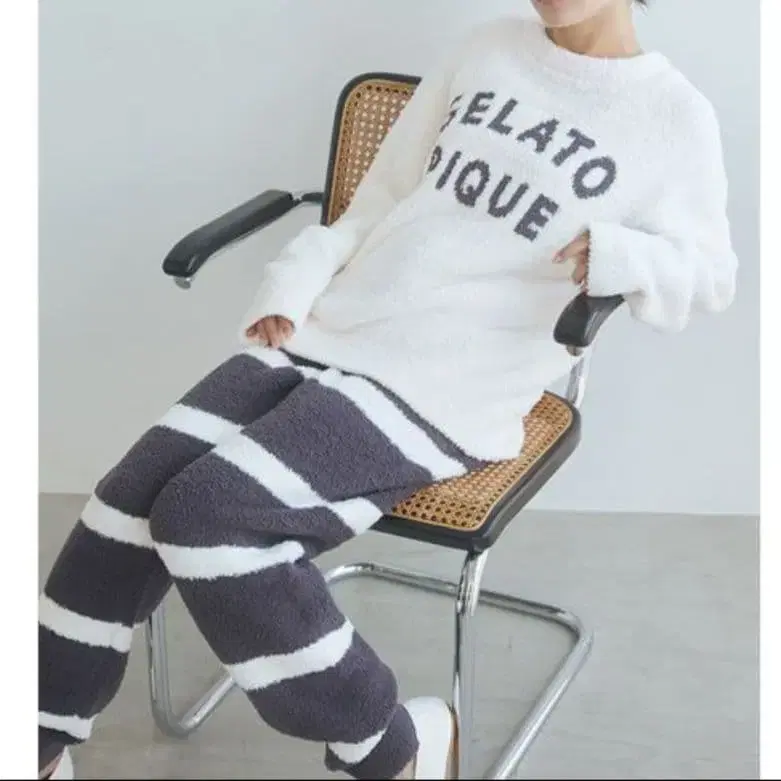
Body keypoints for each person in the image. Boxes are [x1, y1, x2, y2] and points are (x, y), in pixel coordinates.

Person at [39, 0, 738, 778]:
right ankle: (35, 739)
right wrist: (294, 283)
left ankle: (392, 746)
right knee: (124, 499)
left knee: (209, 518)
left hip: (446, 382)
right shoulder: (486, 48)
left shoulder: (671, 115)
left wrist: (619, 255)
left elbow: (712, 276)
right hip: (333, 328)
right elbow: (378, 200)